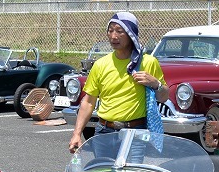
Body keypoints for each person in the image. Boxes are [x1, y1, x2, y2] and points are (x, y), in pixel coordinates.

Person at [69, 12, 167, 154]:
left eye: (120, 31)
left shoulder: (148, 62)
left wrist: (155, 83)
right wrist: (77, 134)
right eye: (110, 30)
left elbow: (163, 97)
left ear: (131, 34)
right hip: (104, 131)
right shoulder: (100, 64)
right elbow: (88, 102)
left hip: (135, 133)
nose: (113, 36)